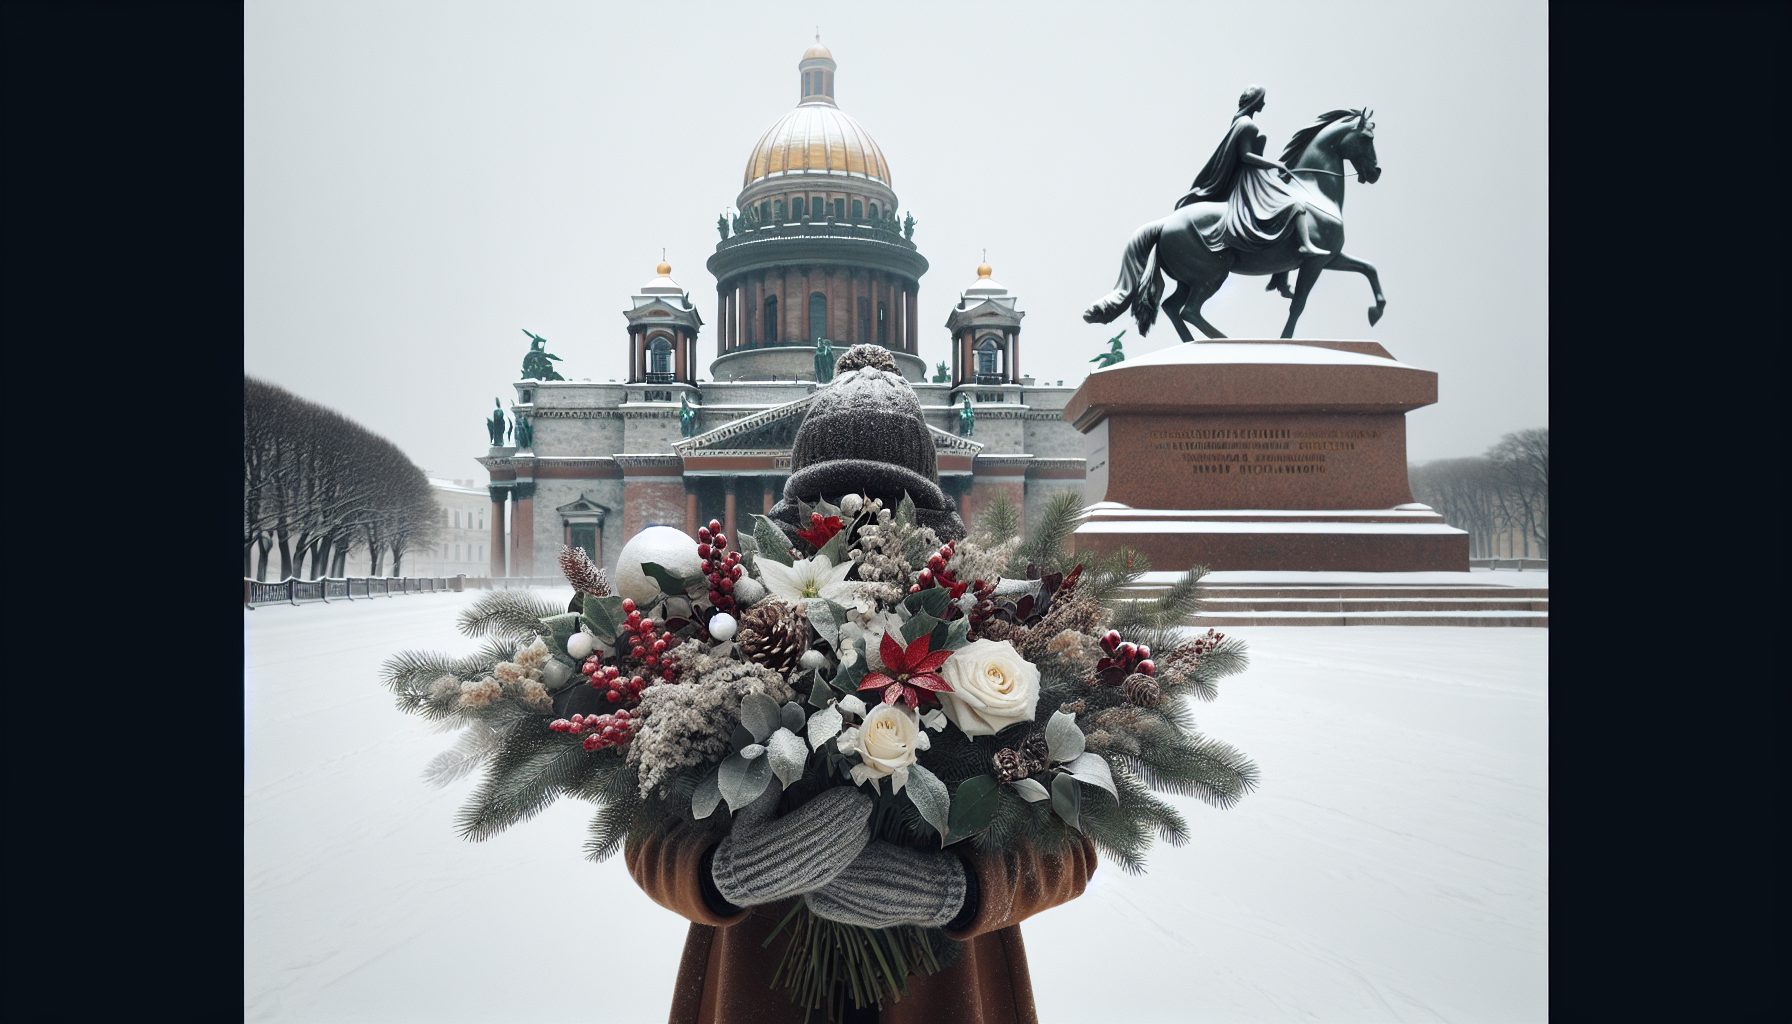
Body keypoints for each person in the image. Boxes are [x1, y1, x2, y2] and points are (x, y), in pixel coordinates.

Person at [626, 343, 1098, 1024]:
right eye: (828, 521)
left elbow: (1071, 846)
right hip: (762, 986)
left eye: (883, 519)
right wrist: (721, 877)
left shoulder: (997, 640)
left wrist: (954, 892)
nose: (855, 541)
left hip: (943, 991)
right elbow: (643, 827)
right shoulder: (725, 630)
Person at [1174, 84, 1331, 257]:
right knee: (1294, 205)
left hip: (1254, 176)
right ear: (1255, 101)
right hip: (1250, 180)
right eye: (1262, 99)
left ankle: (1280, 274)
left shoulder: (1239, 121)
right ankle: (1305, 245)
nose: (1264, 103)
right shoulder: (1248, 125)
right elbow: (1246, 156)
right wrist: (1275, 164)